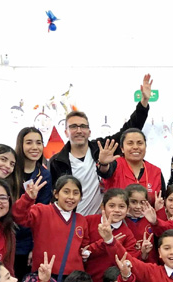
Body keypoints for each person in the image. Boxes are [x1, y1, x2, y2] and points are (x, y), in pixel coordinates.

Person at [49, 74, 153, 215]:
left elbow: (130, 128)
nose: (79, 130)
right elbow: (54, 198)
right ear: (66, 132)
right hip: (73, 221)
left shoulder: (102, 147)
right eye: (73, 127)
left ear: (89, 131)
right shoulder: (57, 162)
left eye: (83, 126)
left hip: (102, 220)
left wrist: (144, 102)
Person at [13, 175, 89, 282]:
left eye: (76, 193)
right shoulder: (42, 211)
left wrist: (86, 253)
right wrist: (28, 198)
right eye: (66, 192)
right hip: (45, 275)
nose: (71, 197)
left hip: (74, 279)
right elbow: (18, 216)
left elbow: (85, 245)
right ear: (56, 194)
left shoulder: (81, 220)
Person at [13, 128, 52, 278]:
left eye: (39, 143)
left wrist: (35, 246)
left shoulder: (44, 175)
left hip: (27, 239)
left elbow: (41, 214)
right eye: (29, 142)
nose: (35, 147)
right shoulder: (10, 170)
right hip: (7, 235)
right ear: (20, 145)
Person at [84, 188, 140, 282]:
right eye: (112, 206)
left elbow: (130, 259)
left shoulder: (127, 233)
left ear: (127, 210)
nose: (117, 210)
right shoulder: (89, 221)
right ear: (103, 207)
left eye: (122, 206)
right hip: (87, 281)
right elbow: (84, 251)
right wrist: (105, 242)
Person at [101, 128, 166, 202]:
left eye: (140, 143)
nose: (135, 147)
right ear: (122, 148)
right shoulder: (115, 165)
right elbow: (104, 171)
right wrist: (103, 163)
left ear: (145, 146)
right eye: (130, 143)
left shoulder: (155, 172)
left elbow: (163, 201)